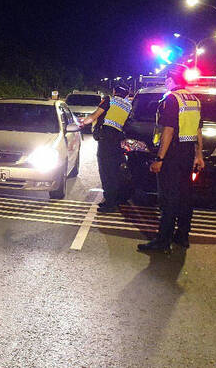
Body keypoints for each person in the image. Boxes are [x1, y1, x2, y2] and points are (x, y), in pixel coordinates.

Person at [138, 65, 204, 251]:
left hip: (172, 156)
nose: (165, 82)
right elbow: (198, 130)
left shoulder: (171, 99)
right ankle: (182, 236)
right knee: (185, 197)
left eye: (167, 78)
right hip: (188, 154)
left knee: (168, 199)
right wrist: (198, 155)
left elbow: (168, 130)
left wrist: (160, 159)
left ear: (171, 79)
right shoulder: (194, 100)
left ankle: (162, 241)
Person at [80, 84, 131, 212]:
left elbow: (94, 116)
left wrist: (82, 122)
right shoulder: (128, 105)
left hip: (106, 141)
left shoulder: (110, 100)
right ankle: (115, 199)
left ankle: (110, 203)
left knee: (106, 172)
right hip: (117, 141)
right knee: (114, 171)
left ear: (115, 92)